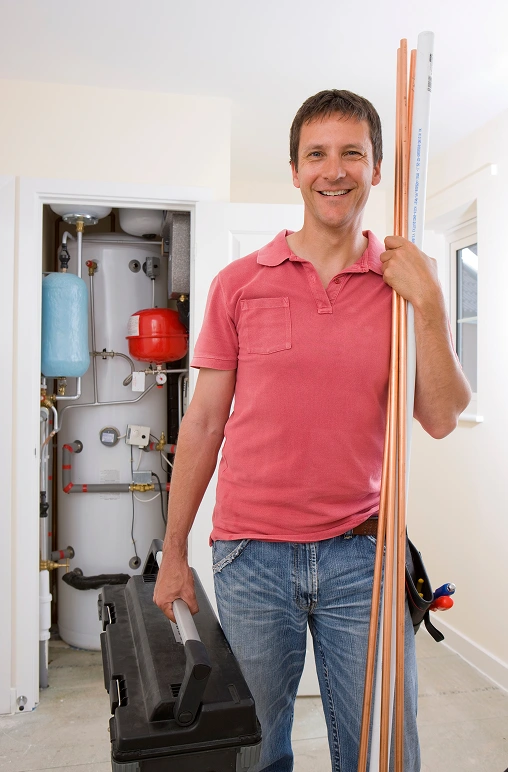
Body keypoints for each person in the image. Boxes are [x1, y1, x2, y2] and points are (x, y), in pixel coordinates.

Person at [154, 90, 471, 772]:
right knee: (256, 751)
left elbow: (442, 418)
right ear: (294, 170)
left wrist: (432, 303)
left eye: (351, 152)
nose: (335, 170)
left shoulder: (403, 285)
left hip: (364, 556)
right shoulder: (240, 284)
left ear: (376, 167)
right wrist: (173, 551)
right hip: (250, 555)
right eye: (317, 154)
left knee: (383, 751)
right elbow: (204, 422)